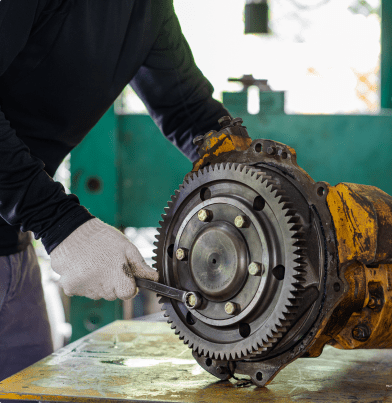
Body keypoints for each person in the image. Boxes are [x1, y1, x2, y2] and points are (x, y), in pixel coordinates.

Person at [0, 0, 229, 382]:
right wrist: (60, 223)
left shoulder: (145, 9)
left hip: (13, 250)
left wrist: (267, 177)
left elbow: (191, 114)